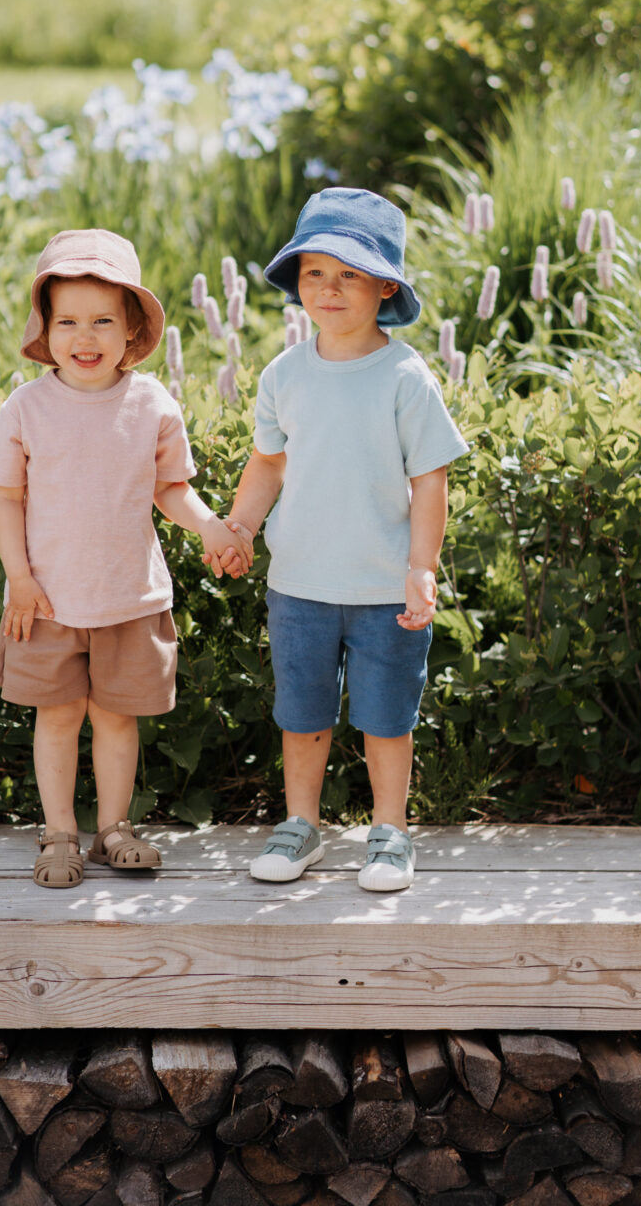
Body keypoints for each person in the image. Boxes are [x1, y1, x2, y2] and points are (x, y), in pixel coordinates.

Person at [220, 187, 469, 892]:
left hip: (384, 586)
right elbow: (268, 463)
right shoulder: (284, 375)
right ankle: (302, 826)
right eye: (314, 273)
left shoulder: (405, 379)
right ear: (296, 283)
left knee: (387, 718)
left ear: (386, 284)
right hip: (298, 583)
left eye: (349, 274)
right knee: (302, 715)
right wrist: (240, 526)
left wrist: (422, 567)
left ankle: (389, 832)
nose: (328, 289)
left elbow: (430, 479)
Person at [0, 228, 240, 888]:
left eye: (101, 321)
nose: (83, 337)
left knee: (118, 719)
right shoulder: (27, 407)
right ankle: (60, 832)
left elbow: (169, 488)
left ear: (132, 331)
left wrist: (209, 525)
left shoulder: (150, 402)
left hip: (128, 595)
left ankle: (114, 829)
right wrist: (20, 580)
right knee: (59, 718)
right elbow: (6, 499)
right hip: (48, 599)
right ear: (45, 328)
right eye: (67, 321)